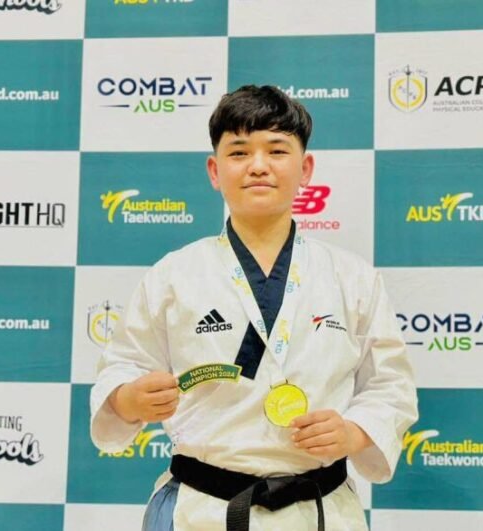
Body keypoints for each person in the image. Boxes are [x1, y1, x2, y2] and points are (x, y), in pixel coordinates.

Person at [90, 85, 418, 531]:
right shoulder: (174, 274)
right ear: (215, 170)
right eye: (239, 152)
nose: (258, 166)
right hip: (200, 511)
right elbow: (122, 367)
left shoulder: (353, 277)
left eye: (277, 150)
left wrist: (353, 432)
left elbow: (390, 386)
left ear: (305, 169)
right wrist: (129, 398)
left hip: (318, 510)